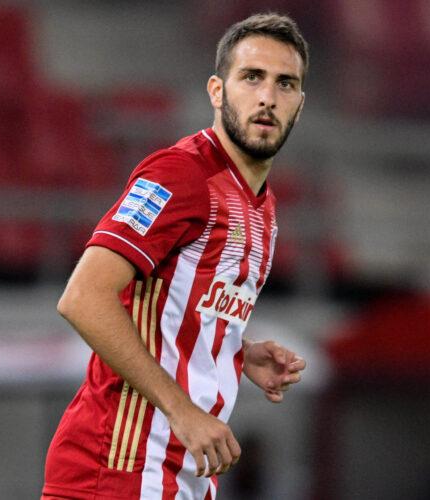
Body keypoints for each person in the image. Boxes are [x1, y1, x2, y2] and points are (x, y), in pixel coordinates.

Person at [42, 12, 309, 500]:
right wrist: (181, 409)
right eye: (252, 77)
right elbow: (83, 297)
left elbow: (172, 308)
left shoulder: (263, 205)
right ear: (217, 91)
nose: (268, 97)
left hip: (184, 475)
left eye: (285, 83)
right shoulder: (180, 174)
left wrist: (235, 351)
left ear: (299, 104)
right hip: (119, 467)